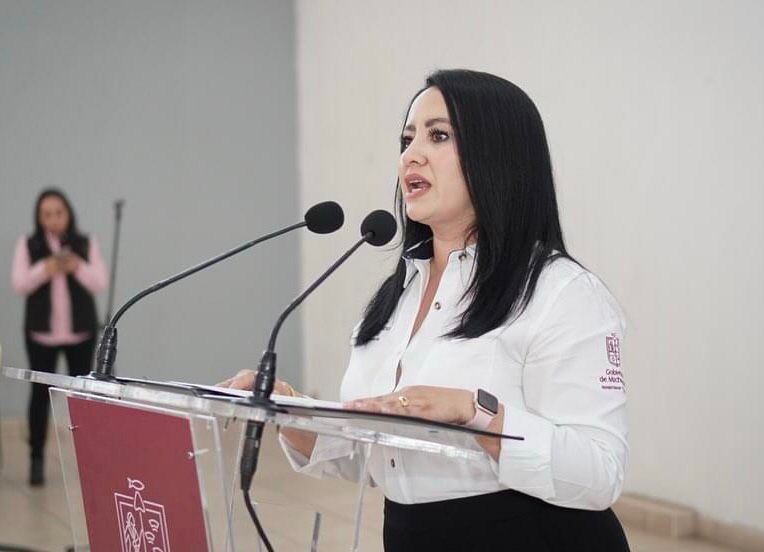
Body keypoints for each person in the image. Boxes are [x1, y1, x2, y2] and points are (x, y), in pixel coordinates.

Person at [221, 69, 630, 550]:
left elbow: (600, 473)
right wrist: (286, 407)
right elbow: (376, 458)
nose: (410, 156)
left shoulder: (561, 293)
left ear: (498, 155)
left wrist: (476, 413)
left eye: (438, 136)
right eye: (407, 139)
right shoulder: (398, 296)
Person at [11, 188, 107, 486]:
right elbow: (19, 283)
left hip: (80, 333)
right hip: (41, 335)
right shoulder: (29, 244)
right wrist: (45, 269)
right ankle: (36, 458)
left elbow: (99, 281)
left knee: (83, 397)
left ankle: (89, 460)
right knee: (40, 396)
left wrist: (77, 266)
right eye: (47, 214)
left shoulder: (85, 242)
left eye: (58, 213)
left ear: (68, 213)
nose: (53, 219)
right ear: (39, 217)